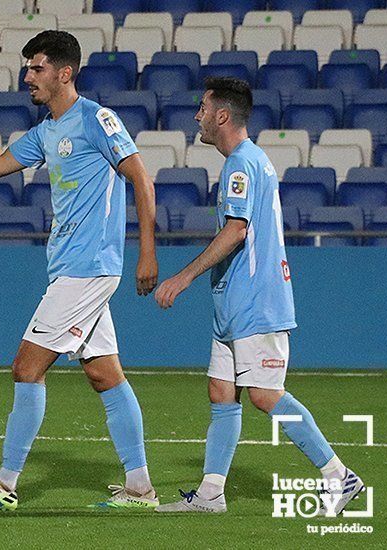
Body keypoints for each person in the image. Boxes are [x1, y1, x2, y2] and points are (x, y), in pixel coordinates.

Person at [0, 30, 160, 511]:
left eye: (36, 68)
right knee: (105, 375)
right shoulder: (47, 131)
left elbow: (141, 177)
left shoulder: (97, 120)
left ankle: (4, 483)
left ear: (65, 72)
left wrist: (147, 252)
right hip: (71, 269)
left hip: (89, 268)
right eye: (27, 69)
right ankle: (141, 487)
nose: (28, 77)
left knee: (26, 367)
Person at [153, 77, 363, 514]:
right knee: (221, 391)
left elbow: (236, 230)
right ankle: (211, 494)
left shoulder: (241, 164)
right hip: (234, 303)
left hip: (256, 303)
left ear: (222, 115)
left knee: (264, 395)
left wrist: (183, 276)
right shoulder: (251, 160)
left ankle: (338, 476)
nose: (197, 117)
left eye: (203, 109)